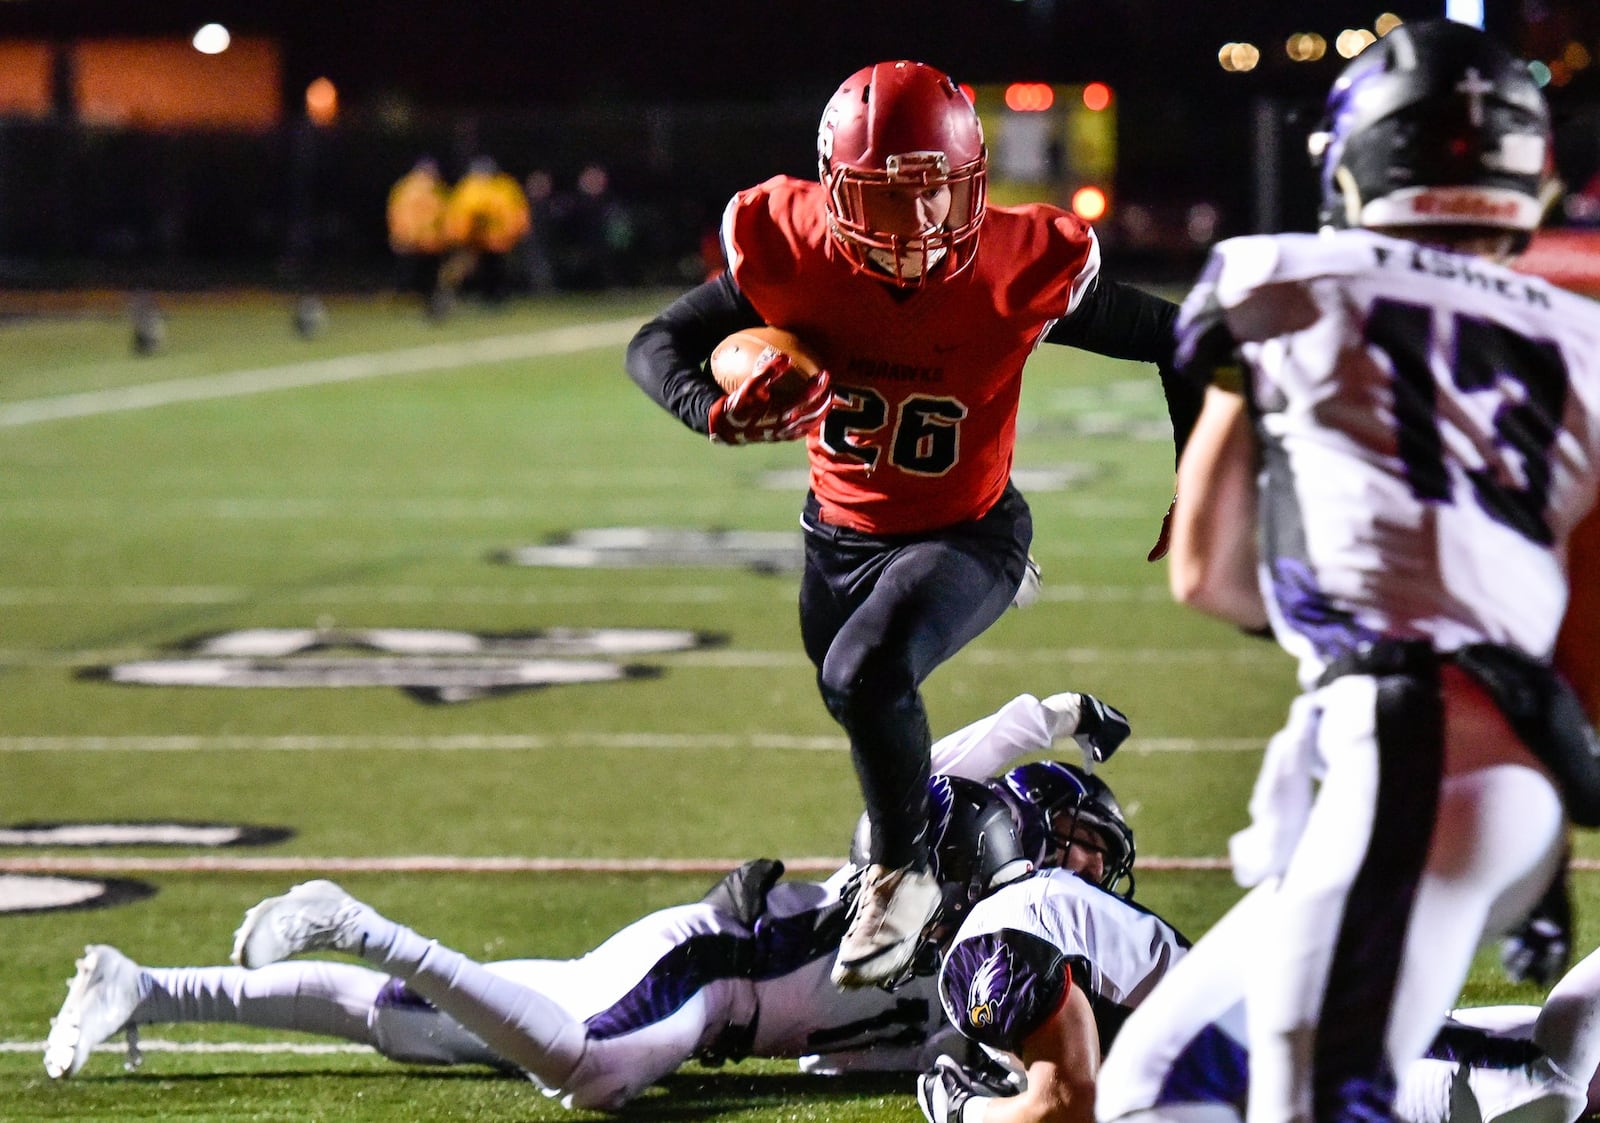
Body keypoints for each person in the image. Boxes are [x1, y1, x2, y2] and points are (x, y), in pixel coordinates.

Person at [1094, 21, 1600, 1123]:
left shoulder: (1275, 275)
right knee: (1158, 1085)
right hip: (1491, 757)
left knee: (1319, 1094)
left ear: (1356, 155)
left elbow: (1205, 571)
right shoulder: (1581, 329)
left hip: (1411, 740)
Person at [624, 59, 1200, 989]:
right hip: (839, 537)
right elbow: (655, 344)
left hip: (968, 531)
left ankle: (906, 876)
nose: (925, 222)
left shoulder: (1016, 263)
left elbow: (1179, 340)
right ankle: (925, 863)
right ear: (836, 190)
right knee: (856, 692)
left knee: (867, 672)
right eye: (893, 199)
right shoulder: (791, 244)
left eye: (941, 192)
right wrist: (711, 410)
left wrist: (1198, 478)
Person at [43, 689, 1129, 1105]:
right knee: (590, 1070)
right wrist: (1048, 709)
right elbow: (929, 762)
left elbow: (867, 1048)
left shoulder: (998, 951)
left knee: (418, 1035)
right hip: (708, 969)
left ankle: (146, 984)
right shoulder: (928, 867)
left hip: (719, 997)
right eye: (1079, 848)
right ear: (1016, 830)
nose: (1088, 879)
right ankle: (358, 919)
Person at [920, 861, 1600, 1123]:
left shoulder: (1003, 934)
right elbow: (1072, 1097)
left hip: (1298, 1058)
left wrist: (967, 1112)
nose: (1094, 862)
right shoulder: (1006, 929)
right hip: (1283, 1041)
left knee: (1549, 1087)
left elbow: (1067, 1104)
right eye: (1080, 837)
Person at [441, 155, 532, 305]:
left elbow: (516, 210)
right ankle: (452, 295)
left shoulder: (504, 186)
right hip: (472, 239)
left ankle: (495, 297)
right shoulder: (469, 187)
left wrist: (517, 231)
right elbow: (459, 213)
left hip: (498, 239)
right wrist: (457, 235)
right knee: (462, 269)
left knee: (496, 269)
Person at [385, 157, 450, 314]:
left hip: (414, 239)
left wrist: (400, 236)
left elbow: (395, 213)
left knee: (411, 276)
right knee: (423, 277)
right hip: (425, 240)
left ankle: (410, 305)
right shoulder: (432, 189)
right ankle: (422, 305)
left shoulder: (404, 187)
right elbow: (442, 214)